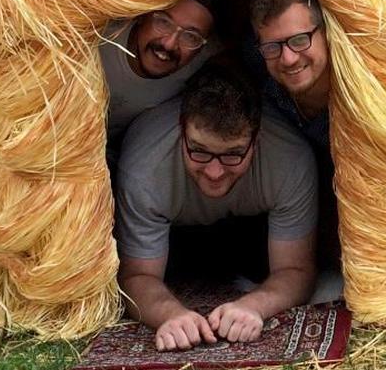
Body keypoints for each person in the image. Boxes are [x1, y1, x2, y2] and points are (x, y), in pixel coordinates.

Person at [115, 66, 318, 350]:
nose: (214, 172)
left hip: (251, 229)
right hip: (176, 233)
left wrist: (254, 306)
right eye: (199, 150)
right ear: (181, 128)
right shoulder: (144, 167)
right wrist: (170, 315)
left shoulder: (290, 160)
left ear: (256, 139)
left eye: (233, 154)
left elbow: (296, 269)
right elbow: (136, 275)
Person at [248, 0, 338, 267]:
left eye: (300, 40)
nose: (288, 58)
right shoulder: (265, 80)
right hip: (296, 200)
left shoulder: (355, 93)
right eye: (273, 47)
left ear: (326, 35)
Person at [100, 0, 217, 150]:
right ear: (143, 15)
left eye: (190, 36)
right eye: (163, 22)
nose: (169, 44)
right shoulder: (99, 40)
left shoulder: (200, 61)